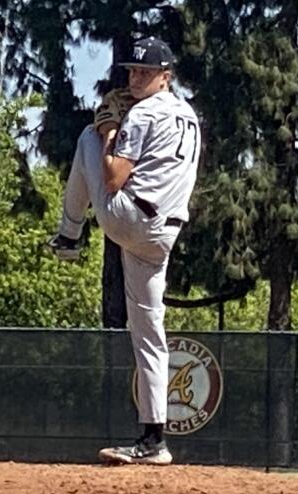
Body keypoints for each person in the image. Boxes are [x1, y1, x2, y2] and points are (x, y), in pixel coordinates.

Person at [47, 37, 201, 465]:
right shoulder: (189, 116)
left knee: (86, 139)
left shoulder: (145, 113)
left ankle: (68, 234)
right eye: (132, 70)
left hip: (129, 218)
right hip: (164, 234)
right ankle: (155, 441)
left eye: (145, 72)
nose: (135, 78)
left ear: (165, 76)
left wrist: (108, 128)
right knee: (149, 334)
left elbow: (113, 177)